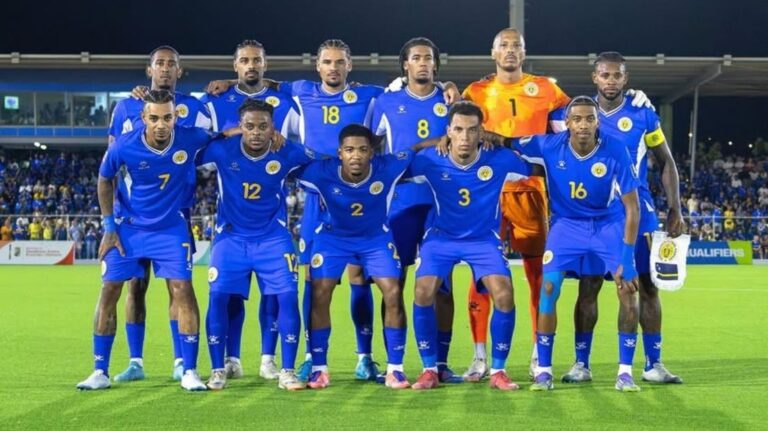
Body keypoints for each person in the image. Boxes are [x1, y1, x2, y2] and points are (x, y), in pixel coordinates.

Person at [460, 28, 652, 380]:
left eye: (516, 45)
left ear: (524, 51)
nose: (510, 51)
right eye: (504, 45)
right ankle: (479, 355)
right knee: (481, 273)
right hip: (487, 191)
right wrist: (444, 89)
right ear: (493, 52)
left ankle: (539, 355)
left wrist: (632, 97)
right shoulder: (475, 90)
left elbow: (589, 111)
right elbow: (456, 121)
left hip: (532, 192)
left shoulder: (546, 89)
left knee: (541, 277)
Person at [76, 90, 215, 391]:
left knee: (183, 290)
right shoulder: (124, 145)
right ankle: (100, 371)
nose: (161, 125)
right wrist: (109, 226)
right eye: (154, 118)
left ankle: (189, 370)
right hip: (128, 229)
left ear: (176, 117)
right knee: (110, 290)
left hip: (170, 229)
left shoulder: (191, 138)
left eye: (167, 118)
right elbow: (104, 179)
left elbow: (226, 138)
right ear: (143, 118)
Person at [563, 52, 685, 385]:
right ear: (595, 78)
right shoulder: (578, 113)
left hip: (638, 210)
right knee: (589, 286)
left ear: (625, 79)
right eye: (605, 75)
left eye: (617, 75)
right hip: (594, 212)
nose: (611, 81)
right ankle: (581, 364)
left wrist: (675, 207)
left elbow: (666, 162)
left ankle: (653, 364)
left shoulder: (643, 114)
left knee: (647, 287)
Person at [511, 96, 642, 392]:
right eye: (577, 119)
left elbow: (632, 208)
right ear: (567, 123)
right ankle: (544, 371)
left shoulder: (616, 148)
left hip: (607, 224)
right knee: (548, 288)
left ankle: (625, 373)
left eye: (589, 119)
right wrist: (484, 134)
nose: (583, 125)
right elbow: (508, 142)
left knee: (627, 289)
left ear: (598, 122)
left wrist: (627, 258)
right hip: (566, 226)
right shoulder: (548, 145)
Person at [406, 102, 530, 391]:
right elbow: (395, 163)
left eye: (472, 130)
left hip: (483, 239)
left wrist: (504, 141)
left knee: (504, 295)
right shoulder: (429, 160)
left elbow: (537, 167)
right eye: (458, 130)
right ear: (448, 131)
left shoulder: (500, 159)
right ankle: (429, 369)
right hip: (441, 238)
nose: (465, 137)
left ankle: (498, 371)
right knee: (423, 291)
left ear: (481, 132)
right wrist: (425, 143)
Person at [199, 40, 301, 381]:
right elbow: (190, 146)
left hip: (273, 234)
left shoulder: (286, 106)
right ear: (235, 65)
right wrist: (224, 133)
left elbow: (321, 161)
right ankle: (224, 364)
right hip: (231, 234)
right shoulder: (217, 109)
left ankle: (274, 363)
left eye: (257, 60)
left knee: (280, 296)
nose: (251, 65)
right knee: (223, 297)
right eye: (244, 60)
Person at [110, 46, 212, 383]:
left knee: (177, 288)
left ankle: (181, 362)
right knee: (135, 287)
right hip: (133, 216)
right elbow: (113, 157)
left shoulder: (194, 108)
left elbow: (211, 145)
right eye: (160, 63)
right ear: (149, 69)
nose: (165, 69)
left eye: (172, 64)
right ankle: (135, 362)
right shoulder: (127, 106)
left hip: (175, 213)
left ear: (180, 71)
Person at [296, 124, 422, 390]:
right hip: (333, 238)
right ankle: (319, 368)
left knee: (393, 290)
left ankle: (395, 369)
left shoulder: (388, 167)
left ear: (371, 153)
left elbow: (415, 148)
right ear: (339, 153)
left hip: (375, 239)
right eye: (350, 150)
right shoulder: (321, 171)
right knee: (320, 291)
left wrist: (443, 139)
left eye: (363, 150)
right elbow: (288, 164)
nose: (356, 155)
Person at [370, 37, 462, 383]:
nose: (423, 63)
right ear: (405, 65)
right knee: (393, 283)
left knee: (442, 285)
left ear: (436, 64)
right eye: (416, 58)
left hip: (441, 203)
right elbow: (369, 147)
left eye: (428, 58)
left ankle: (440, 363)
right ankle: (393, 364)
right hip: (401, 200)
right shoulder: (386, 102)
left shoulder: (450, 101)